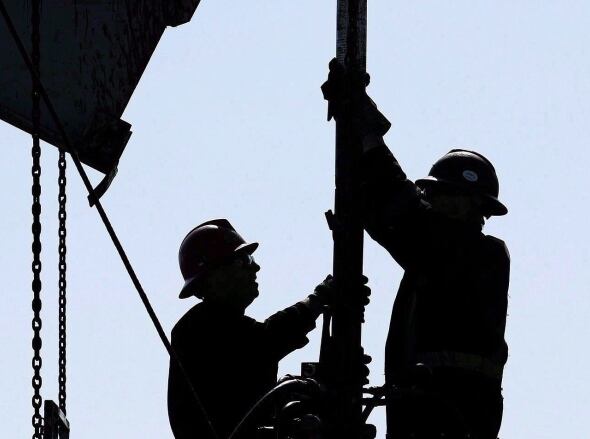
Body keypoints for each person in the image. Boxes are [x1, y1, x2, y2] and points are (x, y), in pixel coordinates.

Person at [323, 62, 511, 438]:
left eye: (459, 199)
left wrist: (370, 136)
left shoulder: (482, 256)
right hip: (425, 412)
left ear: (480, 210)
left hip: (455, 416)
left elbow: (406, 217)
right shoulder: (428, 262)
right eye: (440, 195)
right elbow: (394, 217)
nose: (444, 204)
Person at [167, 219, 332, 439]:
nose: (255, 267)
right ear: (215, 275)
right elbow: (264, 343)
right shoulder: (198, 329)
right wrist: (317, 301)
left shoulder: (220, 327)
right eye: (244, 260)